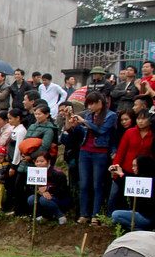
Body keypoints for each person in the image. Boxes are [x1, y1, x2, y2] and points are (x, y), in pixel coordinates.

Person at [72, 92, 115, 226]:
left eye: (92, 103)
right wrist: (73, 122)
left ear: (99, 103)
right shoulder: (88, 115)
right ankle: (84, 214)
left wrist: (84, 121)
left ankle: (96, 215)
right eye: (88, 104)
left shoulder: (111, 115)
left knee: (97, 185)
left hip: (100, 152)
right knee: (84, 184)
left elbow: (101, 130)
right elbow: (79, 131)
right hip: (85, 151)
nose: (89, 107)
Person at [110, 156, 155, 231]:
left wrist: (121, 174)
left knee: (116, 215)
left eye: (135, 165)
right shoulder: (144, 177)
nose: (132, 168)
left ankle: (140, 230)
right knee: (115, 220)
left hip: (146, 217)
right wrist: (120, 173)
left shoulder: (145, 181)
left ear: (142, 166)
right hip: (142, 215)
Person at [26, 155, 70, 224]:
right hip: (42, 196)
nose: (39, 164)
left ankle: (60, 216)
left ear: (48, 161)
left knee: (44, 200)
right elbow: (31, 188)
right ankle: (40, 217)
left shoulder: (58, 173)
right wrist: (41, 192)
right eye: (37, 161)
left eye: (42, 161)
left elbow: (63, 190)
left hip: (58, 198)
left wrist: (49, 191)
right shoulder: (34, 173)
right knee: (31, 199)